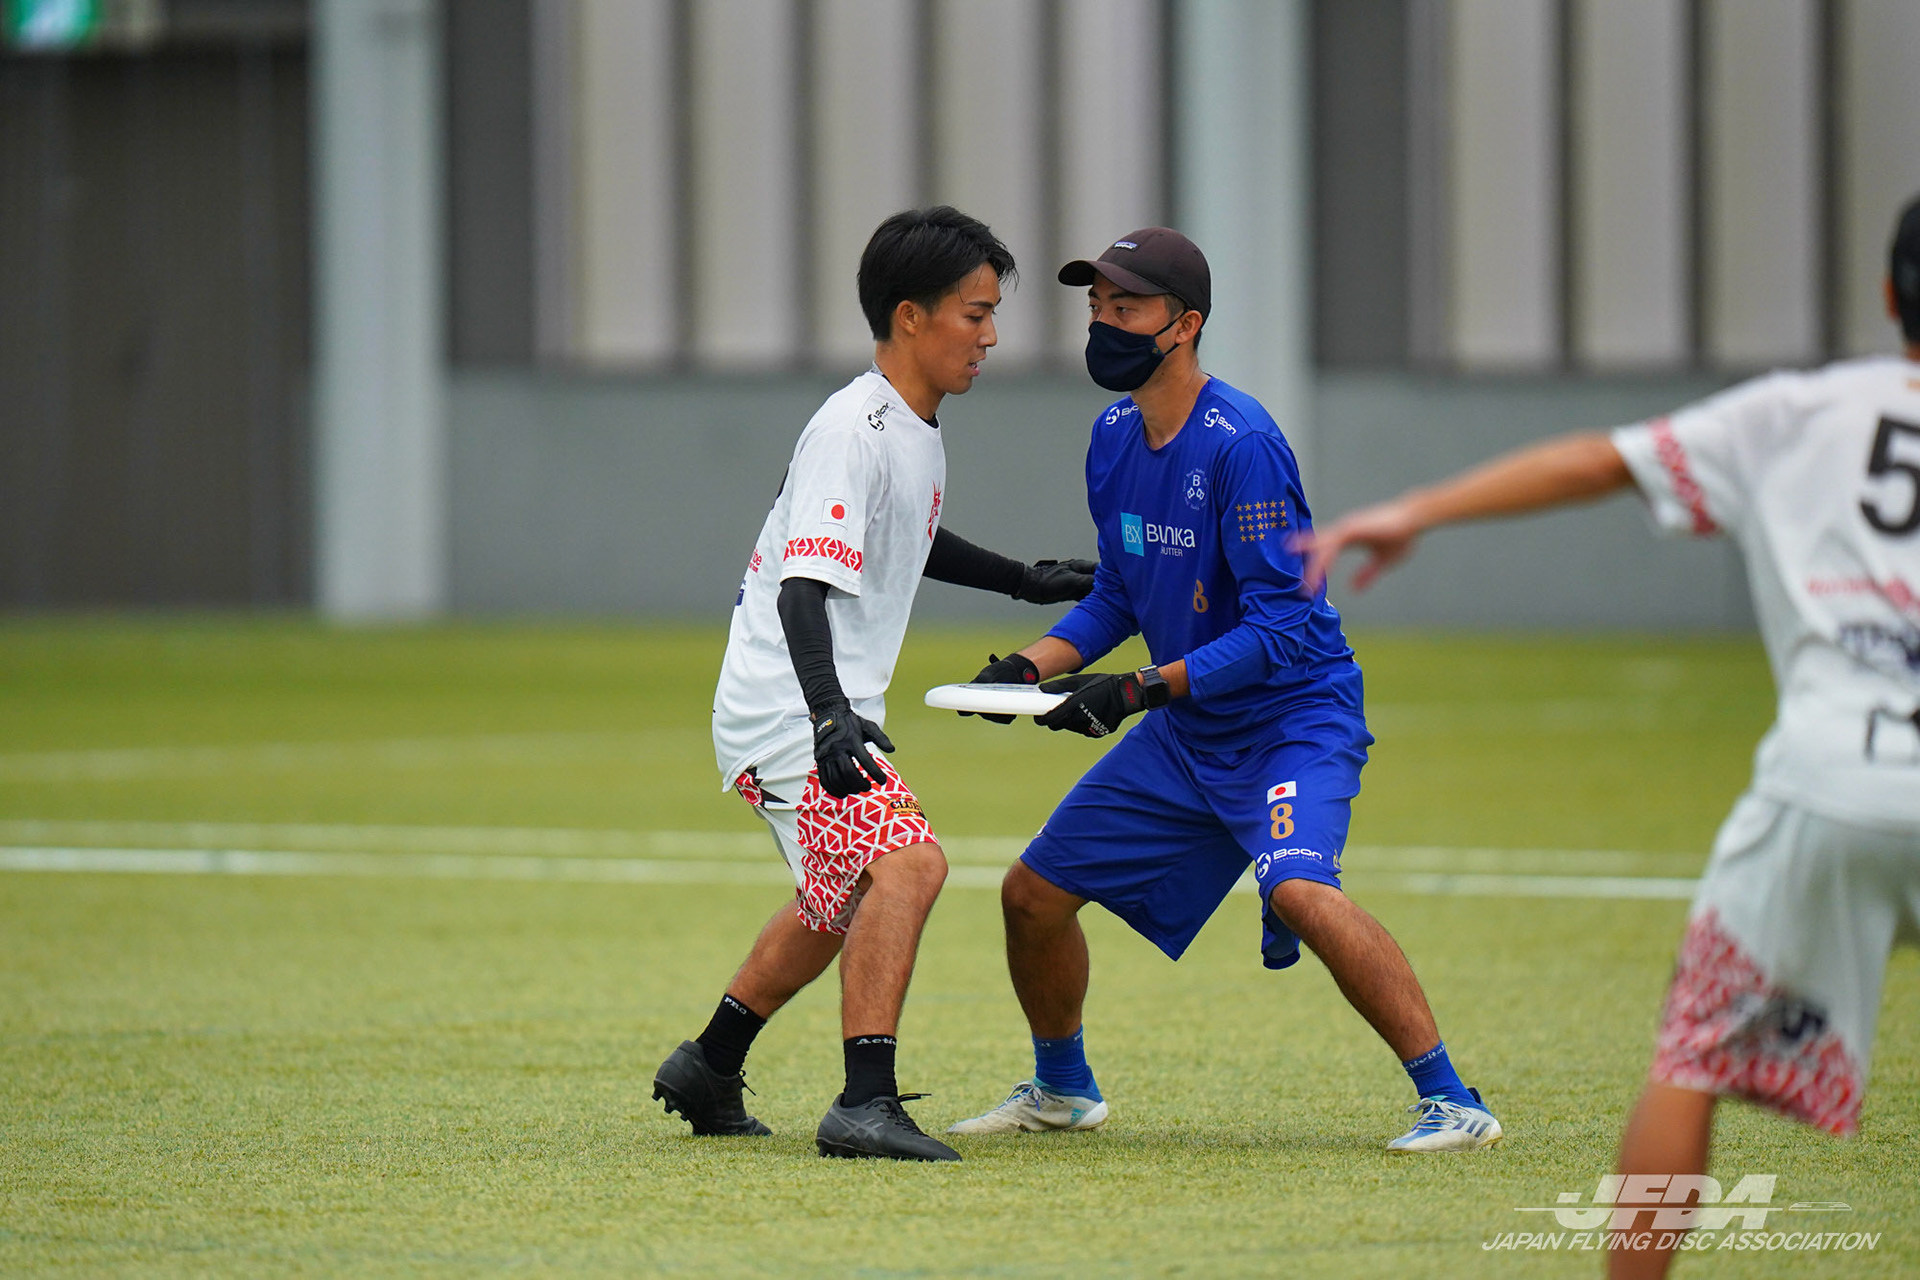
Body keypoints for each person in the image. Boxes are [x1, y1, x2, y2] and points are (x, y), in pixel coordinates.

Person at [1299, 199, 1920, 1276]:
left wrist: (1420, 510)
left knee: (1691, 1062)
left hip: (1829, 784)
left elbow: (1600, 460)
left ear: (1886, 293)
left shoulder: (1799, 411)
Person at [945, 227, 1502, 1152]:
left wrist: (1134, 690)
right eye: (1096, 307)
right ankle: (1063, 1089)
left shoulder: (1244, 445)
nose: (1103, 324)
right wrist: (1029, 667)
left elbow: (1281, 630)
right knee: (1031, 895)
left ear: (1185, 324)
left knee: (1301, 893)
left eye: (1127, 308)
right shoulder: (1112, 436)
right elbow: (1120, 595)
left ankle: (1454, 1101)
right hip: (1187, 730)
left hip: (1292, 719)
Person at [651, 207, 1096, 1162]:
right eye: (976, 313)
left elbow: (910, 535)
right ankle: (864, 1103)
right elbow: (801, 587)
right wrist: (827, 715)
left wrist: (1025, 580)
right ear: (909, 316)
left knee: (844, 893)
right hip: (788, 708)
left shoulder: (911, 427)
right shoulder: (852, 428)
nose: (990, 334)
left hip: (810, 706)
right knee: (907, 865)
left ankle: (709, 1063)